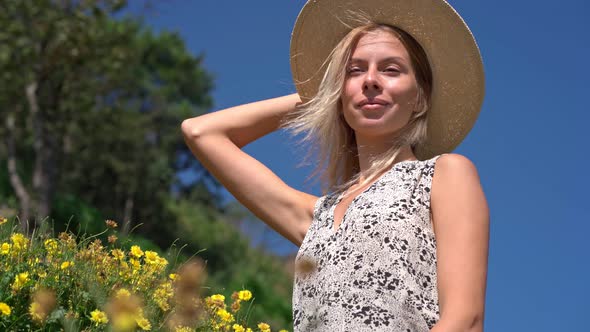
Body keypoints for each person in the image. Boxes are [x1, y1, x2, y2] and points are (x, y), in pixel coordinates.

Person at [181, 0, 489, 331]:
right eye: (354, 71)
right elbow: (201, 132)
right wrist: (322, 95)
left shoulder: (444, 174)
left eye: (391, 69)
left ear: (420, 97)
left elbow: (464, 319)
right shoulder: (317, 218)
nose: (370, 80)